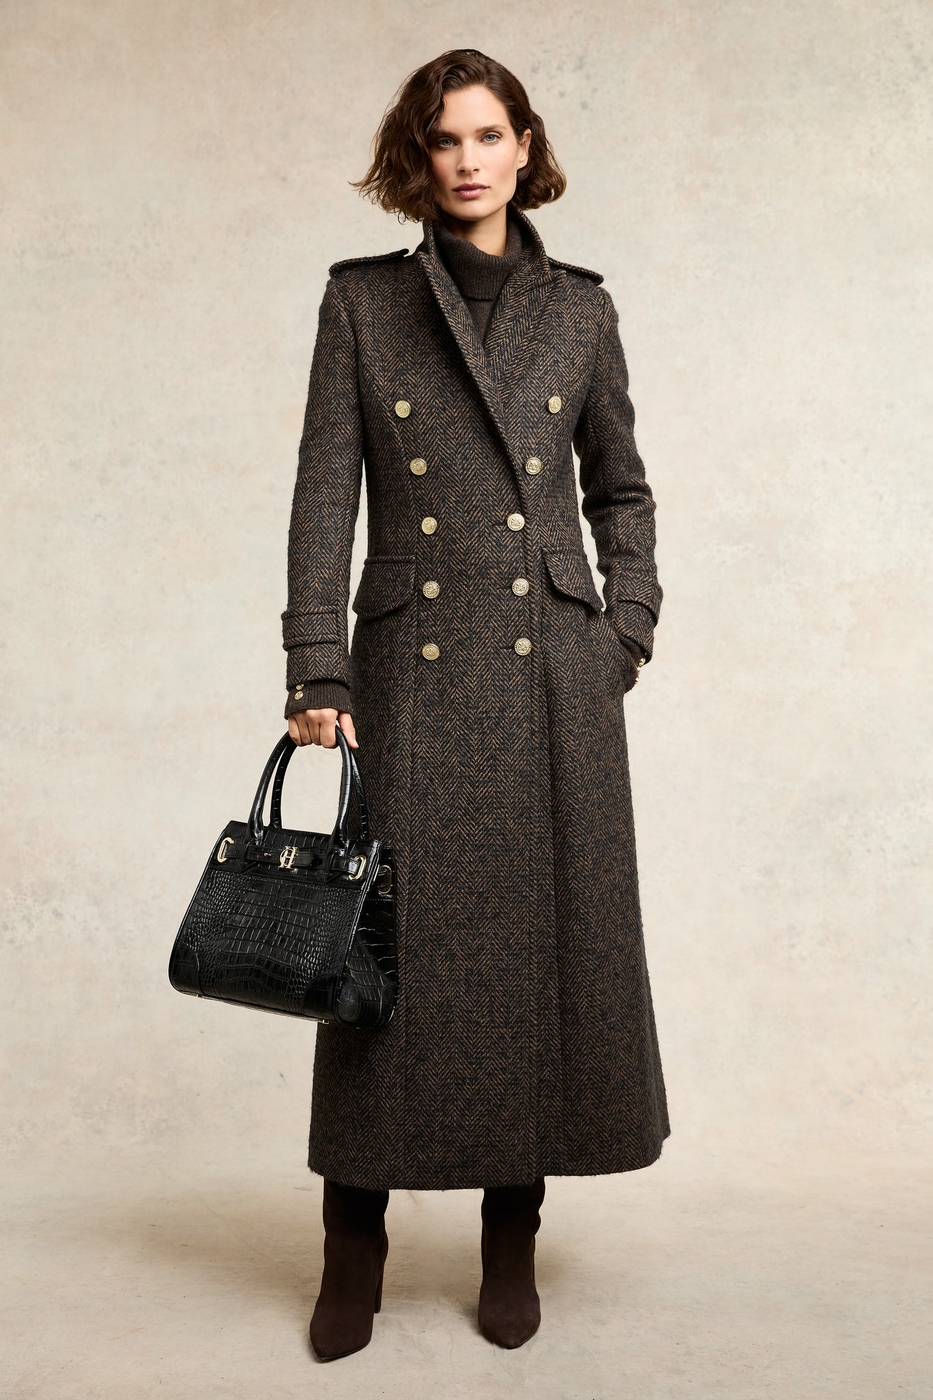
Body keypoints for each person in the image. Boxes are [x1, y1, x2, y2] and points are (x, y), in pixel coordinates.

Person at [281, 48, 670, 1361]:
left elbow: (621, 489)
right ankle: (354, 1245)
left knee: (533, 961)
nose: (467, 160)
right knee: (381, 955)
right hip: (414, 670)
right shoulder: (363, 301)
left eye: (488, 135)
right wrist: (318, 665)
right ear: (419, 156)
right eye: (444, 139)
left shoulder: (581, 310)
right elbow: (324, 496)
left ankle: (512, 1238)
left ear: (524, 147)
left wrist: (621, 632)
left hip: (552, 675)